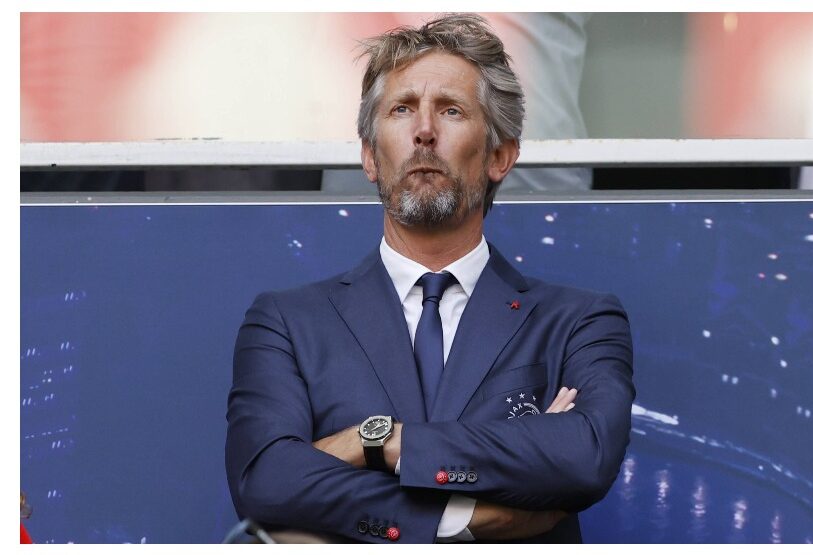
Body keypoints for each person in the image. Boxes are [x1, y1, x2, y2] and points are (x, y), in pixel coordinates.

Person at [225, 13, 634, 543]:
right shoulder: (287, 322)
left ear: (500, 155)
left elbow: (584, 457)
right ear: (370, 157)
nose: (423, 131)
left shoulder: (578, 321)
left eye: (450, 110)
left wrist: (375, 442)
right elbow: (265, 480)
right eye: (401, 109)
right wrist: (466, 516)